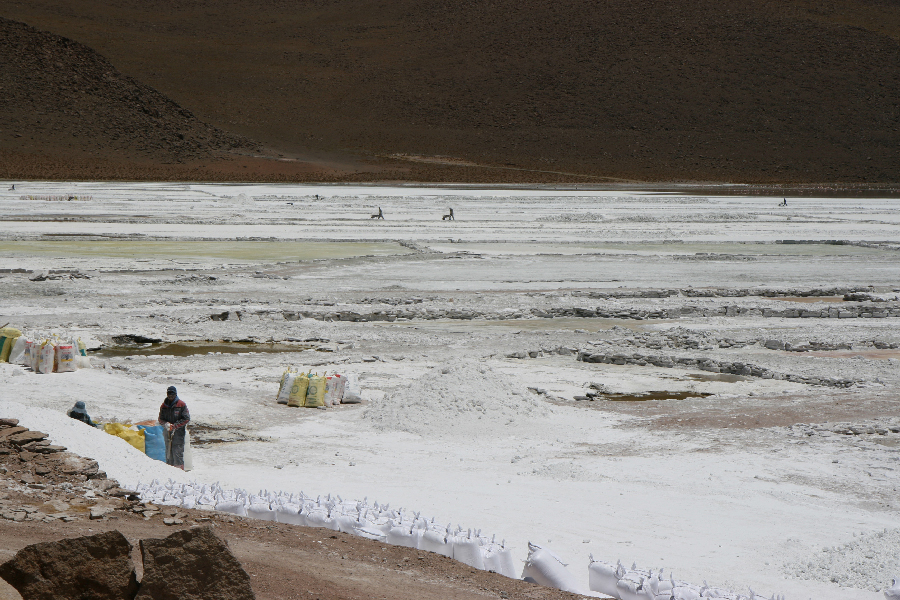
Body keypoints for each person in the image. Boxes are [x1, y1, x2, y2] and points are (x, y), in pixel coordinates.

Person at [159, 385, 190, 469]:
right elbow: (160, 418)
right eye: (169, 394)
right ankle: (170, 471)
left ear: (175, 394)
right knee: (168, 452)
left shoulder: (181, 405)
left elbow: (186, 418)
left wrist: (175, 426)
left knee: (177, 452)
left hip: (178, 433)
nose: (170, 396)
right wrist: (166, 424)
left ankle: (179, 471)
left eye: (172, 394)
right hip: (167, 432)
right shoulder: (164, 406)